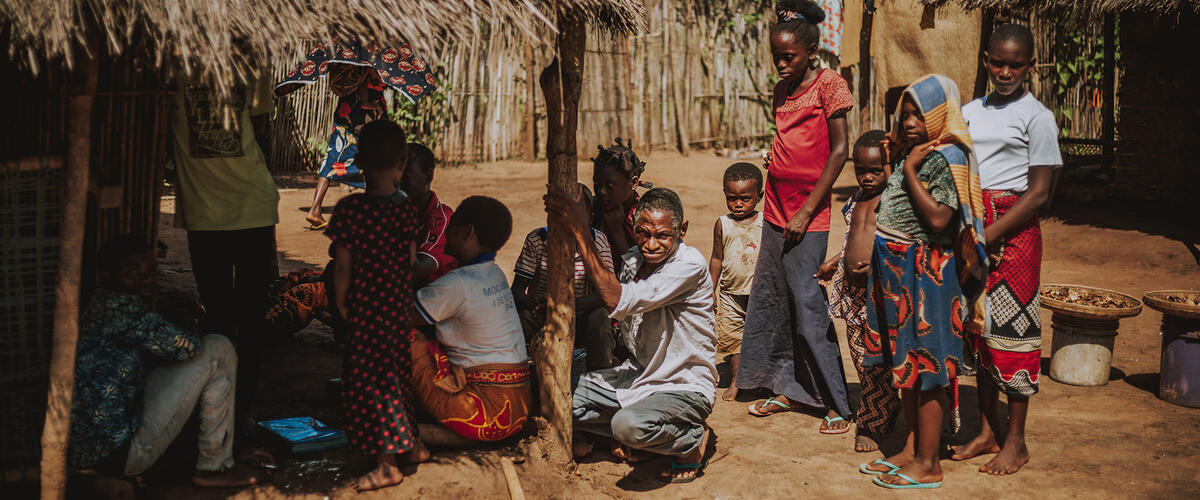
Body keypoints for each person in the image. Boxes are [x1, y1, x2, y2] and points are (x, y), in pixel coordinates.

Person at [859, 74, 989, 489]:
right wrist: (899, 160)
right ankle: (912, 449)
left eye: (920, 112)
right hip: (898, 272)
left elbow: (937, 218)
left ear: (941, 113)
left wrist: (911, 169)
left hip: (927, 275)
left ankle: (930, 463)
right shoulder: (912, 152)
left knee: (928, 367)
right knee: (905, 362)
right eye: (906, 112)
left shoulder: (946, 156)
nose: (910, 120)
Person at [737, 0, 854, 435]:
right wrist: (776, 161)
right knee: (776, 301)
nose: (781, 64)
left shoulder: (831, 85)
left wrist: (807, 210)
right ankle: (789, 387)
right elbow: (789, 139)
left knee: (808, 307)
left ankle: (837, 403)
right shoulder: (780, 92)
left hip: (808, 216)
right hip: (774, 210)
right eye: (776, 57)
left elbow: (839, 151)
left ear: (811, 51)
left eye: (789, 57)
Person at [69, 235, 269, 488]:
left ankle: (218, 449)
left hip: (98, 452)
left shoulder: (101, 303)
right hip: (117, 457)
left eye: (151, 272)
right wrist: (194, 322)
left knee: (181, 365)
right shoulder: (123, 312)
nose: (146, 280)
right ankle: (215, 465)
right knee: (218, 347)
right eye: (133, 272)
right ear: (108, 274)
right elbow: (187, 348)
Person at [547, 187, 717, 484]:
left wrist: (580, 233)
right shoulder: (633, 261)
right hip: (639, 376)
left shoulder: (688, 265)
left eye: (662, 235)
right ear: (635, 228)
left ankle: (689, 439)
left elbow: (616, 299)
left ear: (682, 230)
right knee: (560, 397)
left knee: (628, 426)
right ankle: (649, 438)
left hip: (683, 385)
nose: (651, 244)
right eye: (643, 233)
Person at [951, 23, 1062, 476]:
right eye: (998, 61)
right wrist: (967, 232)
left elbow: (1038, 194)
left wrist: (986, 235)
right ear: (985, 60)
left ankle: (1016, 441)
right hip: (971, 230)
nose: (1005, 70)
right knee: (979, 333)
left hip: (1013, 237)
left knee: (1015, 336)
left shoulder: (1038, 118)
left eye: (1016, 64)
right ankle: (987, 430)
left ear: (1030, 66)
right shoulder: (969, 111)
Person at [169, 69, 279, 433]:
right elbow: (260, 131)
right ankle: (228, 413)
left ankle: (231, 412)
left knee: (227, 318)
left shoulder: (177, 63)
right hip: (238, 206)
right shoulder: (246, 64)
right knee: (238, 320)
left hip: (229, 208)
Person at [325, 120, 429, 492]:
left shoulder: (350, 211)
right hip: (396, 310)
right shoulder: (405, 210)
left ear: (358, 162)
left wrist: (341, 302)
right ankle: (412, 445)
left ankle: (386, 464)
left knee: (372, 385)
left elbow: (342, 265)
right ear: (402, 162)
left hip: (366, 313)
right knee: (397, 376)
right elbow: (410, 259)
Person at [409, 196, 534, 443]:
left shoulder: (457, 284)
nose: (447, 230)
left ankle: (386, 414)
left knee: (402, 334)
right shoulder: (494, 274)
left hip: (482, 416)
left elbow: (400, 317)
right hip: (518, 412)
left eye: (452, 223)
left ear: (467, 233)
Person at [815, 130, 900, 453]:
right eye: (860, 170)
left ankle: (872, 422)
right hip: (851, 294)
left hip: (881, 294)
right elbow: (853, 238)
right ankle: (887, 406)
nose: (867, 177)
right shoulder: (856, 200)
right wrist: (835, 262)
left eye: (876, 171)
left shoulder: (892, 201)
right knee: (861, 359)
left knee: (877, 360)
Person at [512, 184, 617, 370]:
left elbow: (605, 295)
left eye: (575, 216)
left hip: (581, 314)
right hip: (542, 315)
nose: (566, 220)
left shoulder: (597, 241)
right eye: (558, 212)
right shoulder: (537, 240)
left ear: (590, 218)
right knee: (519, 317)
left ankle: (600, 373)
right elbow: (517, 290)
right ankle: (522, 369)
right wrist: (537, 307)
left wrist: (565, 305)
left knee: (600, 318)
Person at [708, 162, 764, 402]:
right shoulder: (723, 224)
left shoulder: (766, 222)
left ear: (759, 196)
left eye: (745, 198)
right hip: (730, 294)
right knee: (733, 340)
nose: (738, 204)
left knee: (763, 336)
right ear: (725, 194)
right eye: (732, 198)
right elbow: (717, 258)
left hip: (760, 294)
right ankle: (736, 381)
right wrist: (710, 289)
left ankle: (765, 381)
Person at [304, 68, 386, 229]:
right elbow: (363, 79)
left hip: (347, 110)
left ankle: (315, 209)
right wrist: (366, 102)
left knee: (333, 158)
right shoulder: (367, 59)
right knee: (374, 159)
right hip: (363, 111)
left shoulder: (349, 60)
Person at [402, 143, 458, 284]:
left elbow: (418, 271)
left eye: (405, 181)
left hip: (436, 298)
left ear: (428, 177)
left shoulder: (442, 220)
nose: (396, 187)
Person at [591, 138, 646, 259]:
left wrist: (617, 233)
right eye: (597, 184)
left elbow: (640, 273)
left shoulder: (645, 218)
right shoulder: (590, 209)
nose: (601, 191)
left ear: (634, 183)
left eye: (610, 185)